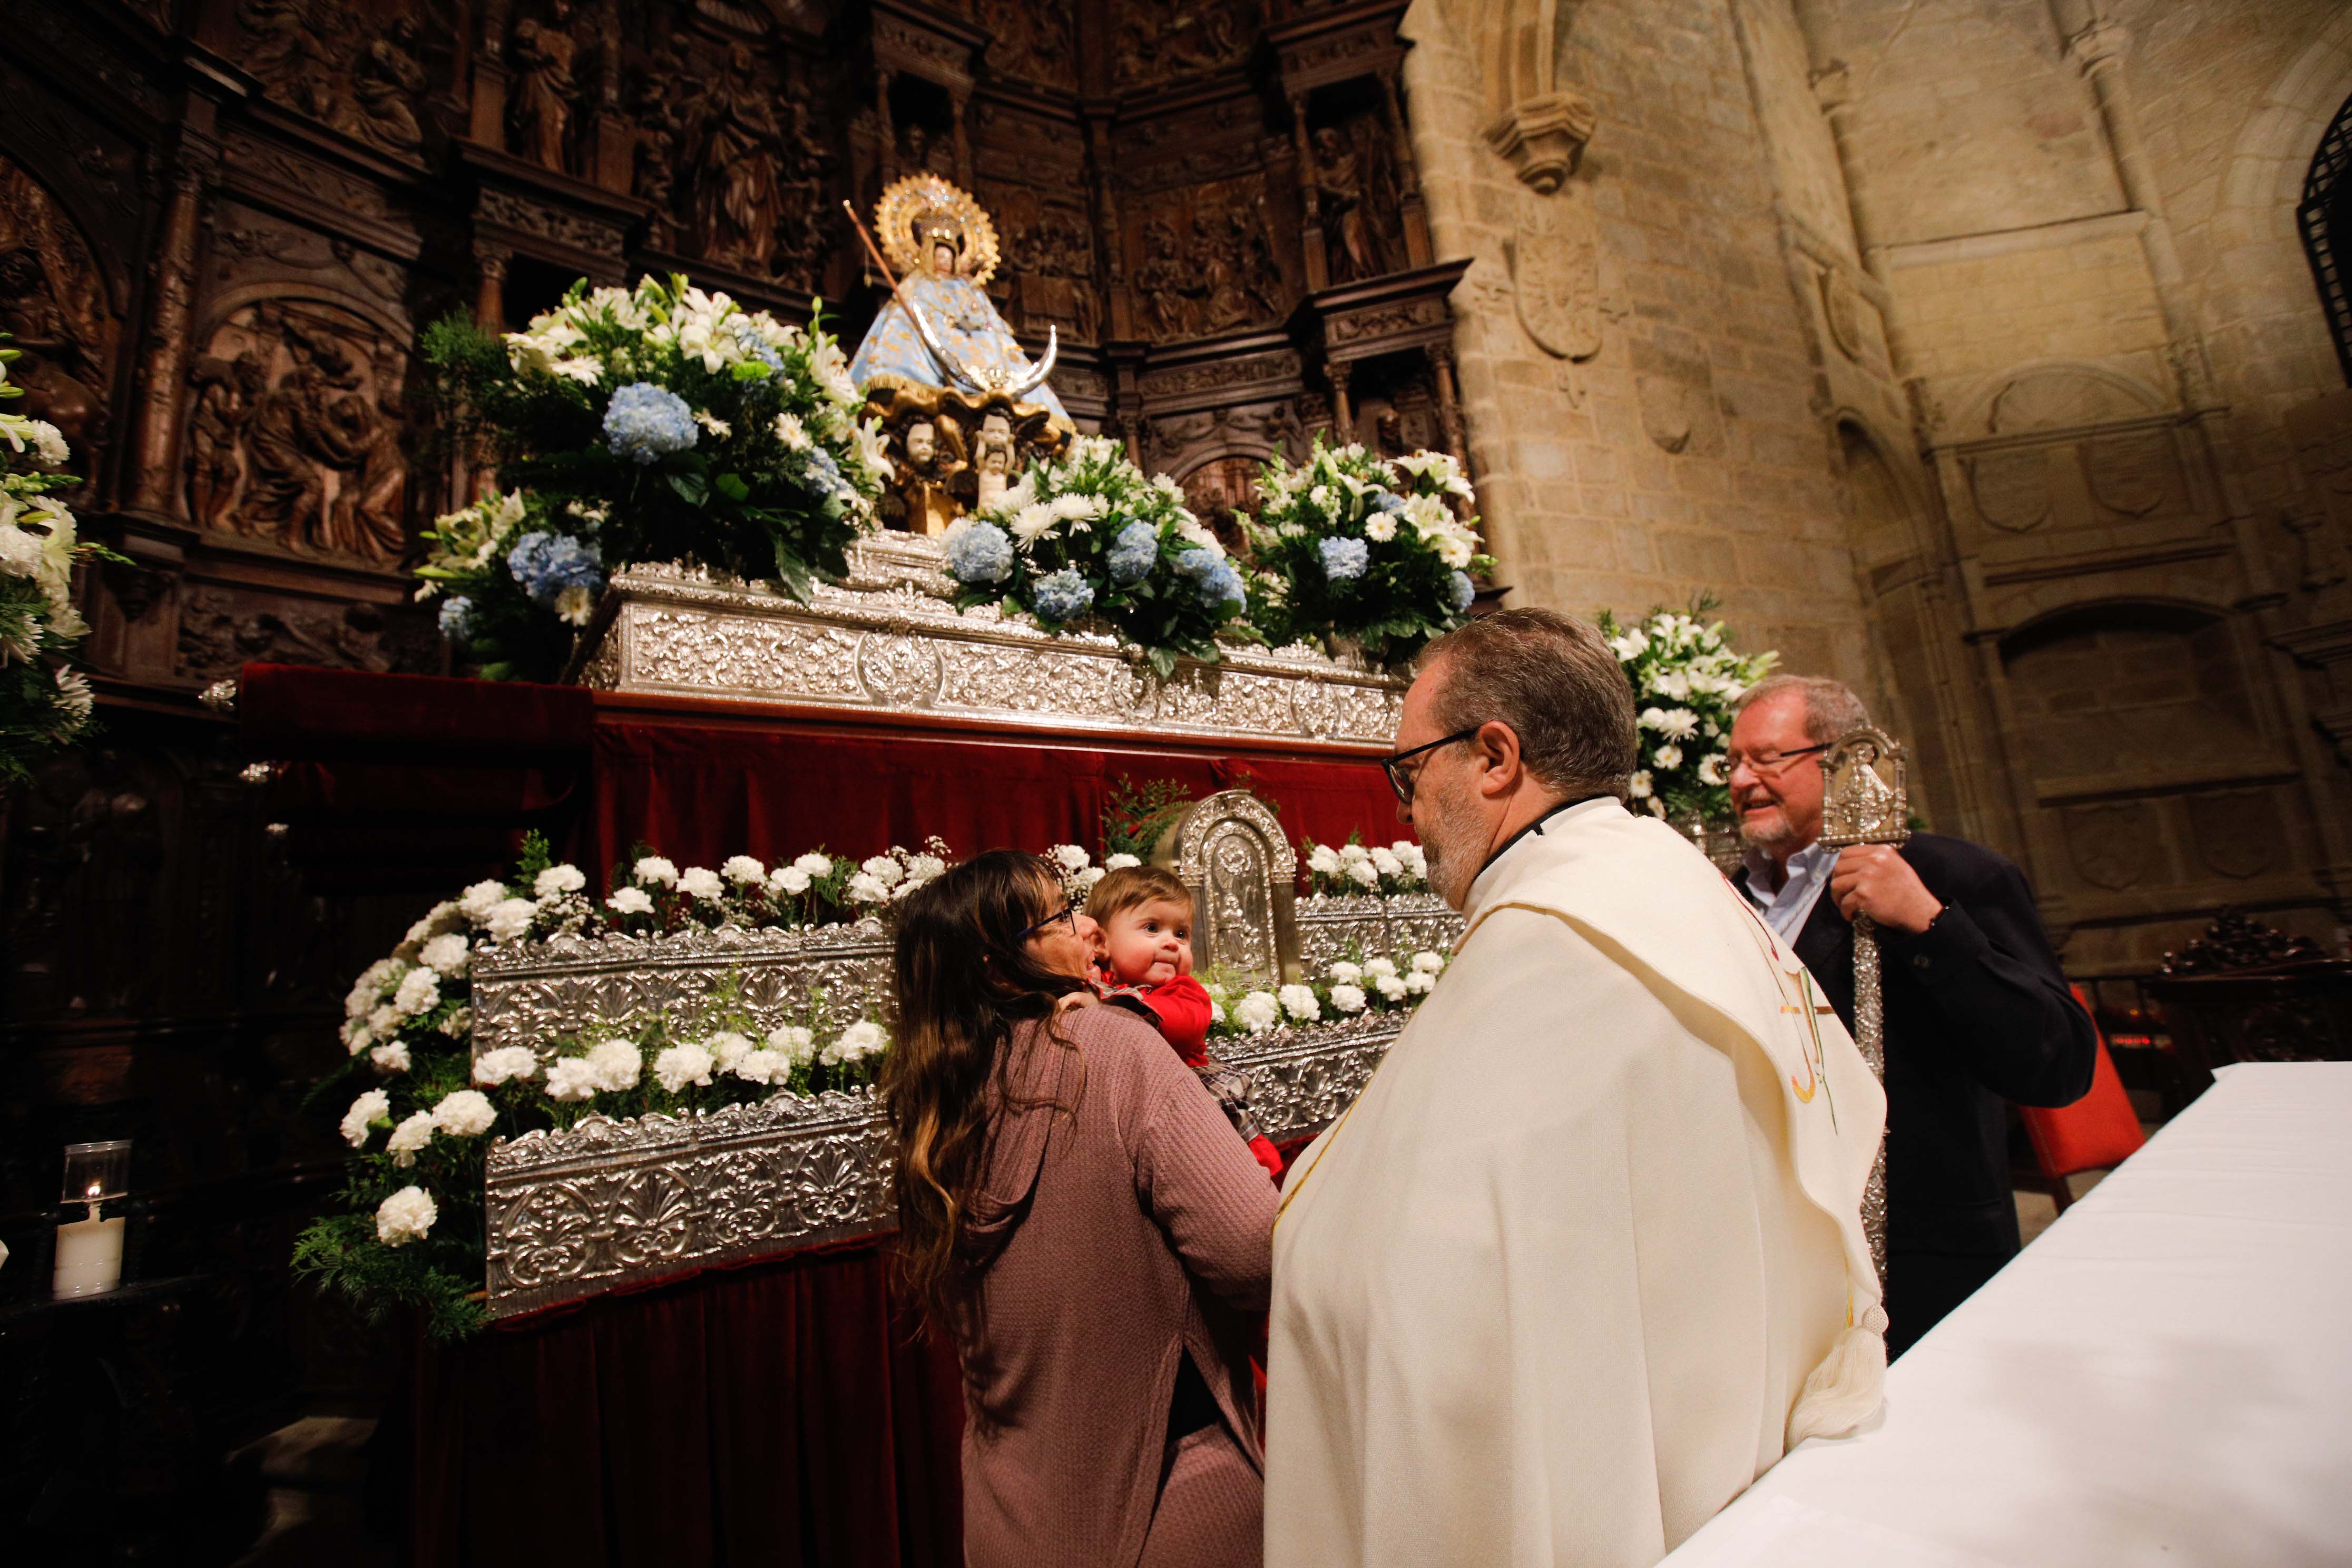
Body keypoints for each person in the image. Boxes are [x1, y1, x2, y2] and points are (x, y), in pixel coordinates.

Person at [1266, 609, 1887, 1568]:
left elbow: (1416, 1288)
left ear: (1494, 757)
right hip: (1730, 1446)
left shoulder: (1550, 943)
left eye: (1409, 771)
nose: (1406, 808)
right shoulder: (1675, 888)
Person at [883, 850, 1278, 1568]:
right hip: (1170, 1501)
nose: (1091, 930)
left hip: (1018, 1517)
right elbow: (1254, 1253)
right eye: (1063, 916)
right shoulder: (1112, 1044)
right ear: (1002, 967)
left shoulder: (937, 1105)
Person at [1726, 674, 2096, 1357]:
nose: (1743, 780)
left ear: (1843, 758)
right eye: (1733, 763)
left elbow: (2058, 1062)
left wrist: (1929, 925)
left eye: (1767, 758)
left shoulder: (1952, 874)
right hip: (1771, 1255)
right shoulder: (1721, 894)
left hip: (1921, 1251)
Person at [1079, 864, 1285, 1181]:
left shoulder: (1183, 991)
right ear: (1102, 943)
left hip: (1196, 1116)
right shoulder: (1097, 984)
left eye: (1181, 933)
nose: (1172, 943)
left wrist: (1101, 1008)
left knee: (1230, 1183)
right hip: (1132, 1115)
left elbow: (1180, 1026)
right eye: (1151, 928)